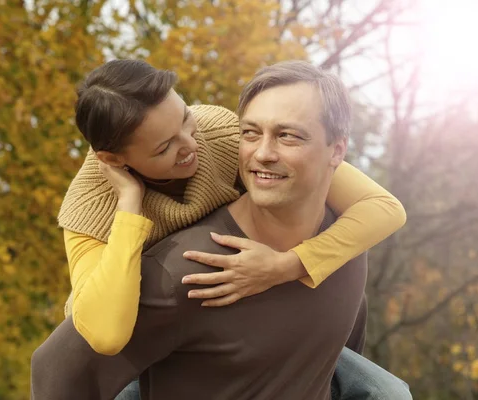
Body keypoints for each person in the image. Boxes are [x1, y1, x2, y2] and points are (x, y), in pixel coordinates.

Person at [31, 60, 412, 399]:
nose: (190, 145)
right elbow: (102, 337)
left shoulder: (220, 133)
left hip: (257, 337)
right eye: (165, 147)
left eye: (184, 119)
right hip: (150, 336)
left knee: (388, 392)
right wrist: (128, 208)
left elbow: (382, 209)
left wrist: (288, 265)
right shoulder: (91, 210)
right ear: (114, 160)